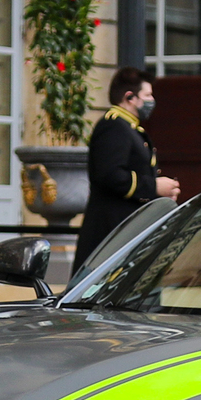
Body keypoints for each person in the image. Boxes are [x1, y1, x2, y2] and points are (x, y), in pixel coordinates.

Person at [73, 66, 178, 270]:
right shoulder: (113, 125)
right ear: (130, 97)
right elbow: (110, 174)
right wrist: (153, 187)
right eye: (147, 95)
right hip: (111, 227)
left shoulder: (129, 128)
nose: (151, 100)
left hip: (124, 225)